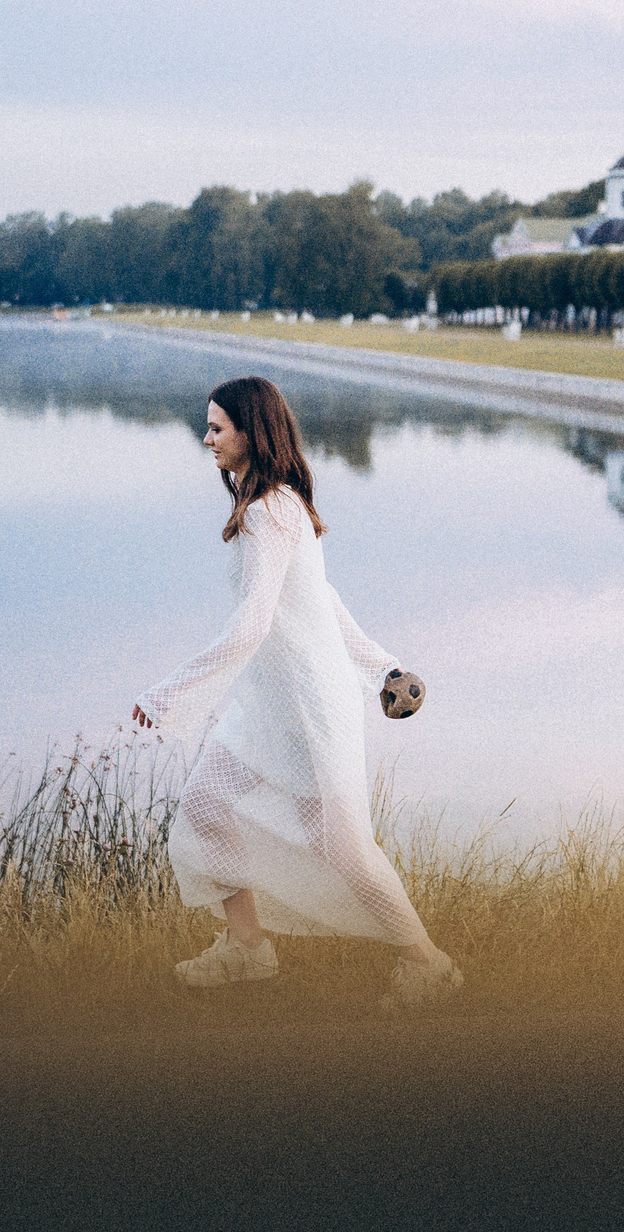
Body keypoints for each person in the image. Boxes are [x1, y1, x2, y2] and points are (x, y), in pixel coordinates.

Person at [131, 375, 462, 1009]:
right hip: (274, 707)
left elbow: (257, 621)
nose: (206, 440)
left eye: (217, 428)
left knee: (342, 847)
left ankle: (428, 964)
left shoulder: (268, 511)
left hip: (307, 709)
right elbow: (322, 601)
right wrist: (384, 665)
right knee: (205, 805)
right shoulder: (277, 504)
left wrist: (172, 695)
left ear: (252, 433)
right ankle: (248, 947)